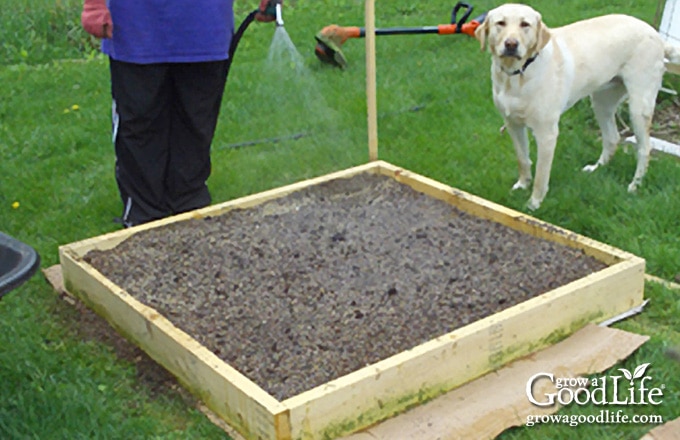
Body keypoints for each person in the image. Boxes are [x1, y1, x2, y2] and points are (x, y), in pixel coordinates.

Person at [81, 0, 279, 227]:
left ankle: (189, 210)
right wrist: (94, 5)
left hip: (205, 22)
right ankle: (143, 215)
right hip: (136, 23)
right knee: (139, 123)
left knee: (196, 122)